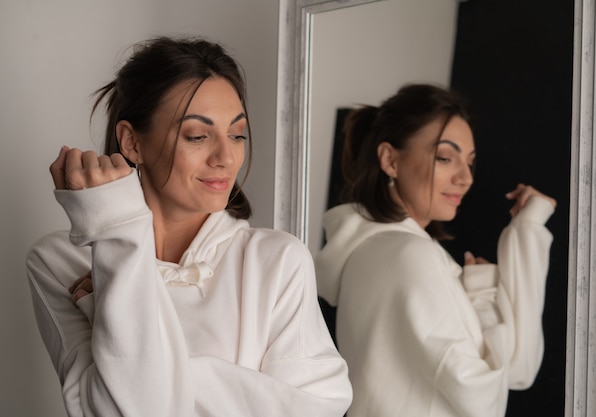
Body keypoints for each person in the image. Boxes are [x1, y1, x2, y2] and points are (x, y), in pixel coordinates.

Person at [26, 36, 352, 417]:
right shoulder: (58, 260)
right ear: (132, 142)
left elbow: (317, 411)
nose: (226, 157)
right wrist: (116, 234)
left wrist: (107, 310)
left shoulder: (277, 260)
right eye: (198, 136)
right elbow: (114, 411)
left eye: (237, 134)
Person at [315, 84, 556, 417]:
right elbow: (489, 397)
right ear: (390, 160)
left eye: (470, 163)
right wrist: (485, 297)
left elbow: (516, 371)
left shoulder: (373, 252)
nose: (465, 178)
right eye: (445, 157)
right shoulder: (412, 256)